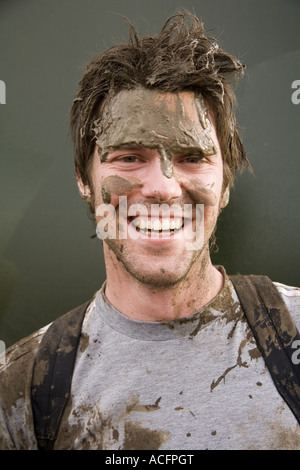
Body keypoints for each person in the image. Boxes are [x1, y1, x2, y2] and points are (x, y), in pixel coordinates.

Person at [1, 12, 300, 451]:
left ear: (226, 183)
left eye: (192, 157)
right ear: (84, 182)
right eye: (128, 157)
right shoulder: (23, 388)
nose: (162, 187)